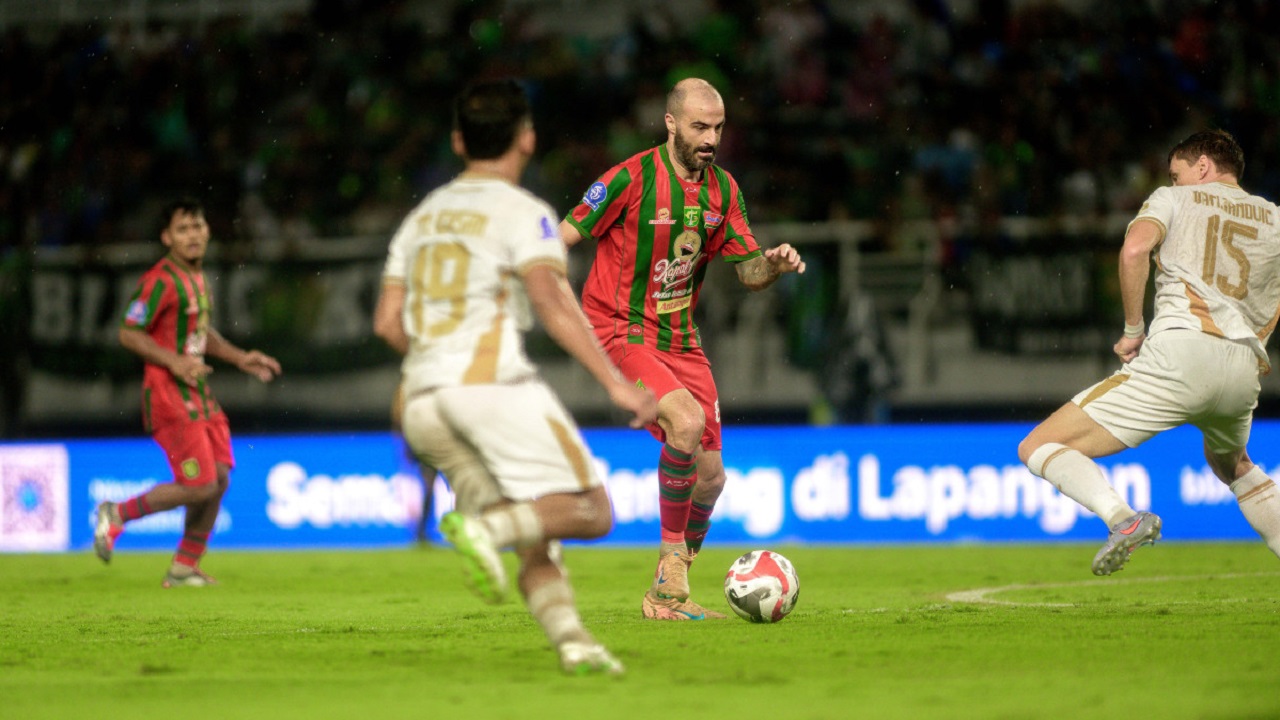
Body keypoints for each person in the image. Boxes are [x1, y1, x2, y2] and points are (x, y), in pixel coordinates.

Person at [372, 79, 657, 675]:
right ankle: (487, 528)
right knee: (590, 509)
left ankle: (574, 643)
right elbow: (553, 304)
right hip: (489, 387)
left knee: (538, 535)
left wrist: (432, 359)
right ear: (527, 137)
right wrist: (616, 384)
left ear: (458, 141)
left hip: (421, 402)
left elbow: (386, 322)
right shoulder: (525, 213)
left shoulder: (421, 218)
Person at [559, 78, 806, 620]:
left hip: (681, 340)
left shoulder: (723, 191)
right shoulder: (631, 178)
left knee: (712, 477)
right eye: (699, 127)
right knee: (686, 425)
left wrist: (776, 262)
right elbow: (563, 237)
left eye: (717, 127)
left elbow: (748, 270)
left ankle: (668, 594)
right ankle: (671, 563)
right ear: (670, 124)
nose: (710, 138)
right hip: (619, 330)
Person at [1018, 129, 1280, 575]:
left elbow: (1135, 249)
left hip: (1182, 354)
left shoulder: (1174, 200)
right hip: (1244, 371)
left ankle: (1123, 520)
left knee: (1039, 444)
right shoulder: (1275, 217)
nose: (1174, 182)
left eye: (1178, 174)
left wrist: (1133, 330)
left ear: (1202, 167)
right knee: (1234, 465)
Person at [95, 198, 282, 587]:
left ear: (208, 230)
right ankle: (116, 514)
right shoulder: (160, 281)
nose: (193, 235)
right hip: (168, 394)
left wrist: (240, 357)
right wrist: (173, 361)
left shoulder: (196, 277)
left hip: (197, 392)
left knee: (220, 477)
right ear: (167, 237)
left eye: (197, 226)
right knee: (199, 484)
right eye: (183, 229)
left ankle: (184, 566)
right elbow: (128, 332)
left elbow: (199, 334)